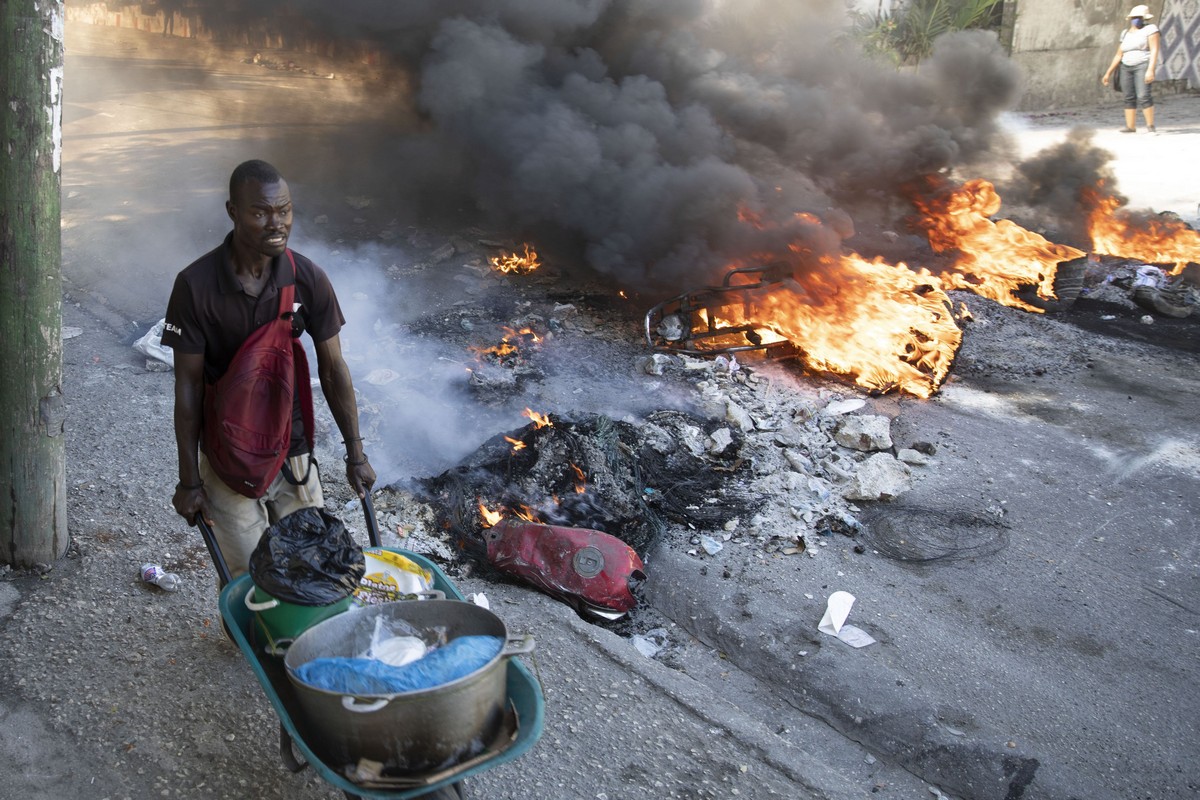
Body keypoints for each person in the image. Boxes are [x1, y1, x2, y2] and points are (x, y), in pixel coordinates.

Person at [162, 159, 376, 578]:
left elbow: (333, 369)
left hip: (293, 451)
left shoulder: (307, 278)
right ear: (233, 211)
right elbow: (187, 387)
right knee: (250, 579)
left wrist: (356, 455)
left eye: (285, 211)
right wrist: (189, 481)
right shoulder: (195, 285)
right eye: (260, 213)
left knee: (313, 571)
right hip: (228, 459)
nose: (277, 224)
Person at [1101, 5, 1160, 134]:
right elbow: (1119, 54)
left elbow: (1154, 50)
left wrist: (1151, 69)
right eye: (1134, 17)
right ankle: (1130, 126)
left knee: (1143, 95)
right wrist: (1108, 73)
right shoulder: (1125, 33)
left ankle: (1150, 126)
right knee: (1128, 96)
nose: (1136, 20)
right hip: (1126, 66)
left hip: (1142, 64)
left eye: (1139, 17)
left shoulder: (1150, 30)